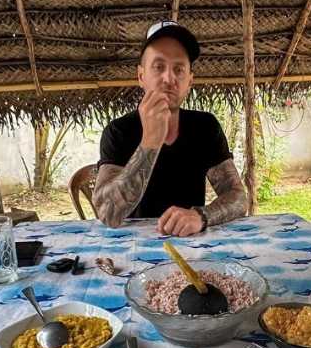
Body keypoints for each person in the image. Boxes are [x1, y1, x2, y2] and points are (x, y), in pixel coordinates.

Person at [92, 20, 247, 236]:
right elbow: (108, 213)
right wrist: (150, 141)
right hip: (133, 247)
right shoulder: (118, 131)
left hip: (191, 244)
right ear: (141, 76)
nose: (169, 78)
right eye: (158, 66)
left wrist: (201, 216)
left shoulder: (204, 127)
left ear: (189, 81)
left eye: (179, 69)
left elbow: (238, 197)